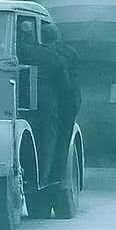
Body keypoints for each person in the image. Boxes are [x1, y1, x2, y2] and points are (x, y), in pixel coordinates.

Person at [17, 19, 68, 185]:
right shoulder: (55, 57)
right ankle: (42, 179)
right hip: (47, 101)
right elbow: (64, 88)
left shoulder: (20, 50)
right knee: (48, 138)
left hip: (20, 99)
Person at [42, 22, 81, 182]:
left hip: (55, 101)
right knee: (63, 141)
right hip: (70, 101)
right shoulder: (70, 52)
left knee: (50, 140)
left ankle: (49, 176)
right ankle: (58, 179)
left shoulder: (49, 54)